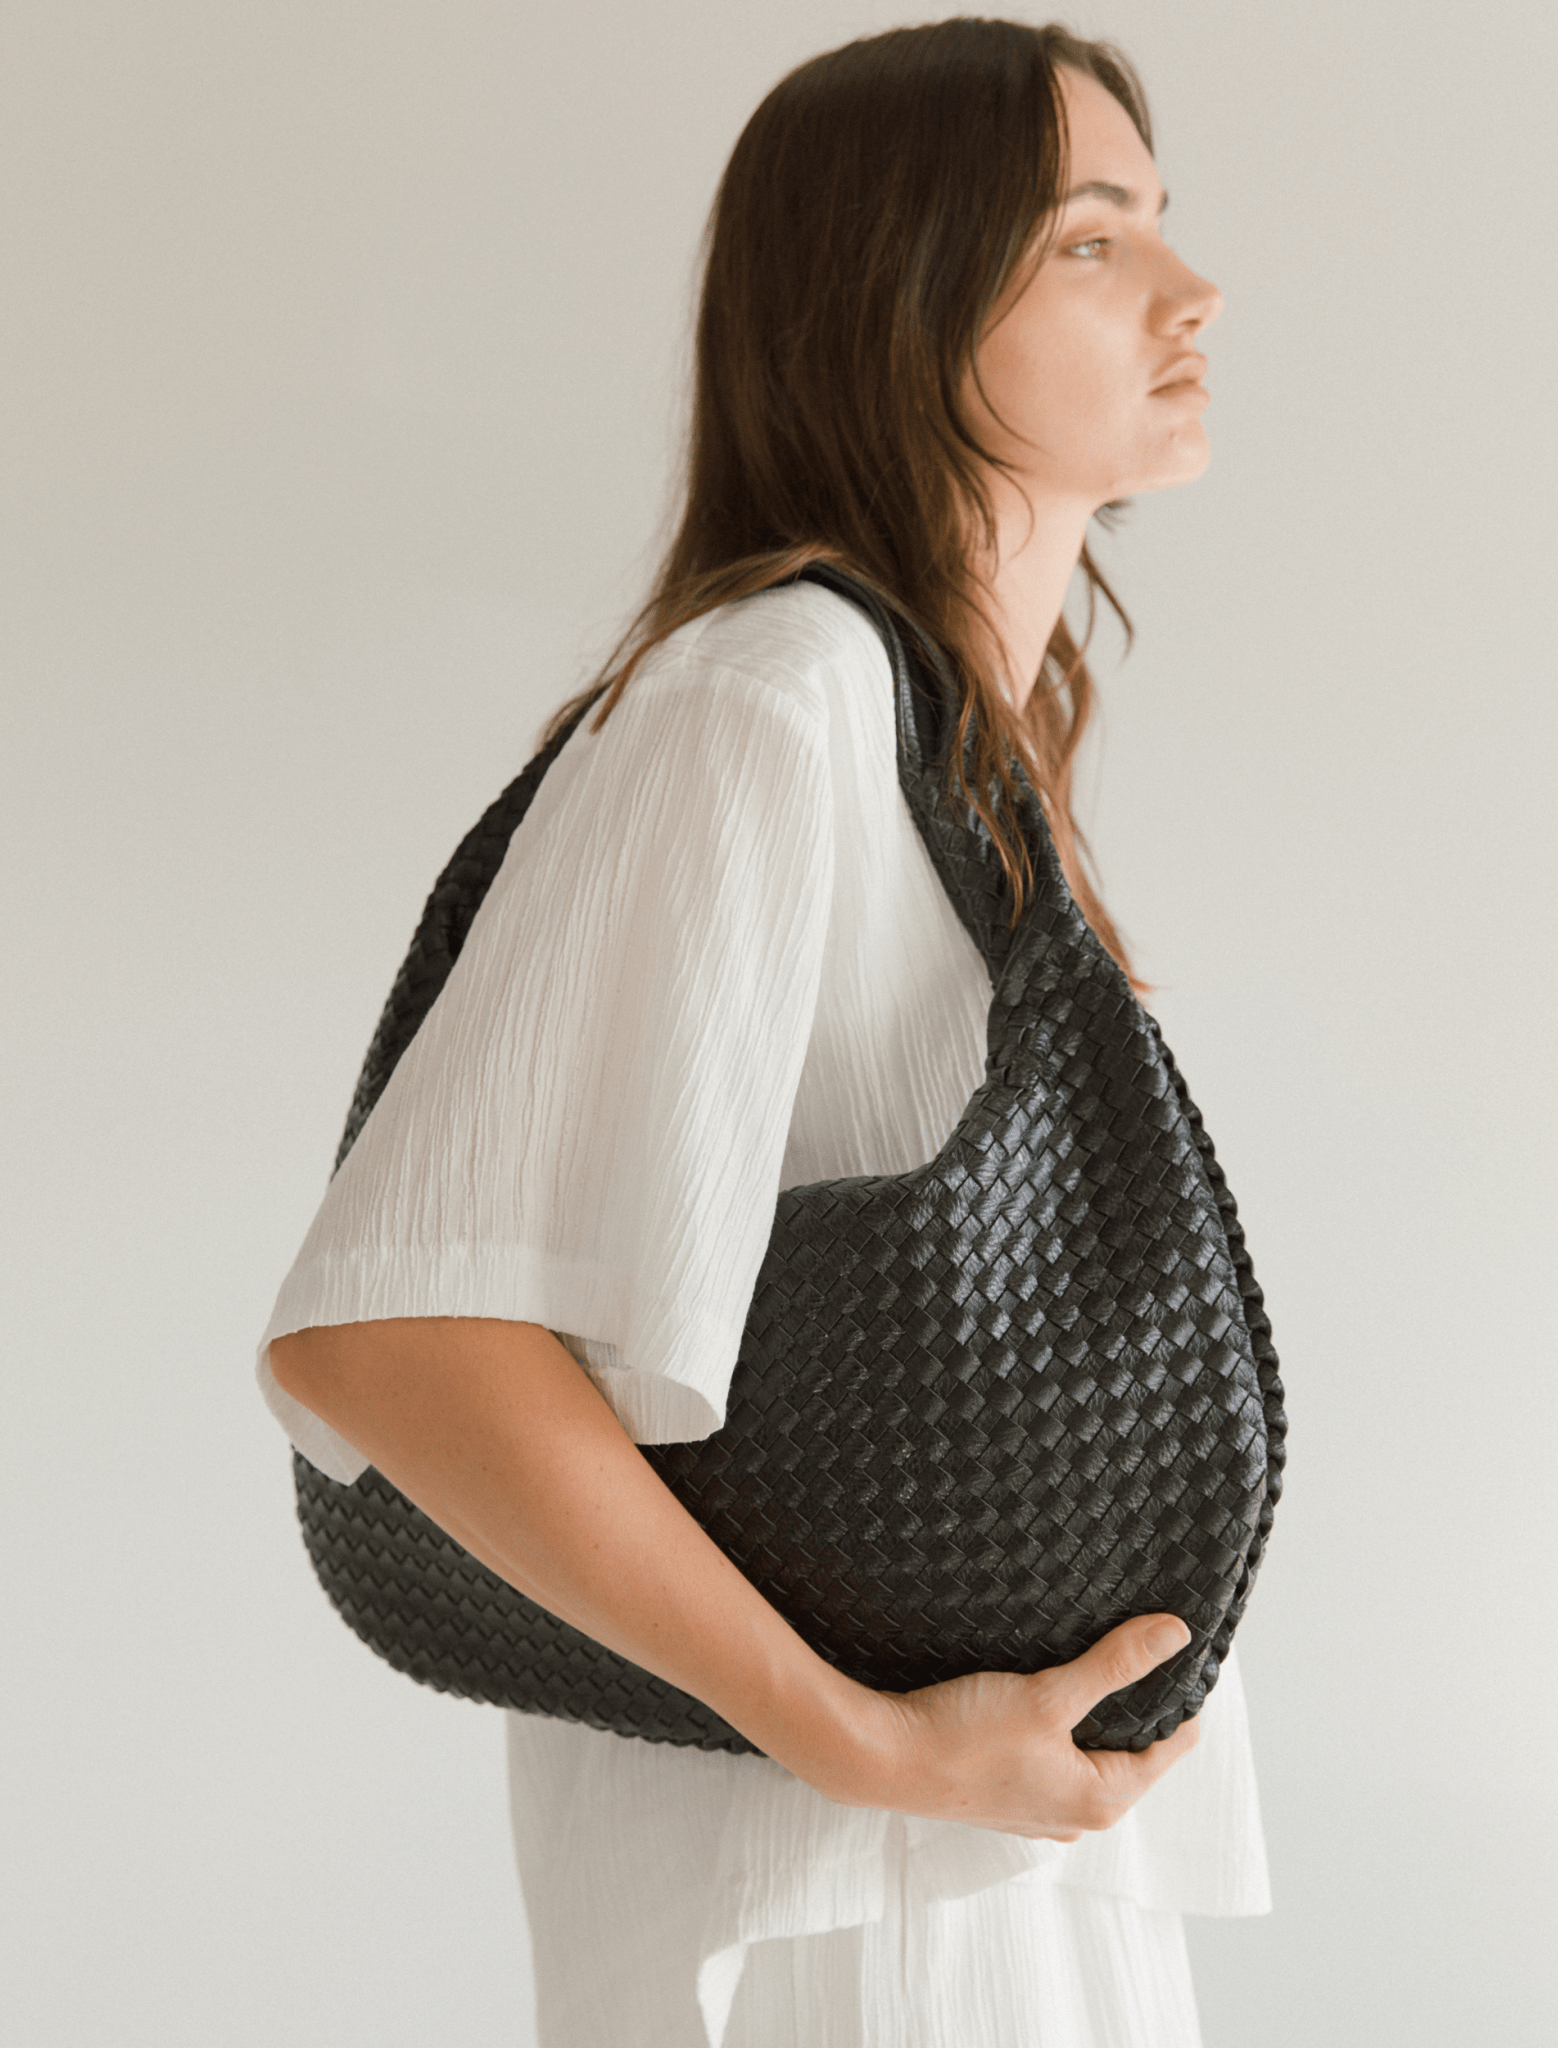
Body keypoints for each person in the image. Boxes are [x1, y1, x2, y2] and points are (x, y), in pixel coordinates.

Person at [258, 18, 1269, 2046]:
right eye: (1091, 241)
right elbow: (395, 1335)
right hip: (849, 1932)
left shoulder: (942, 748)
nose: (1190, 288)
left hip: (969, 1891)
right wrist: (868, 1747)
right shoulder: (771, 697)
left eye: (1162, 224)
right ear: (901, 294)